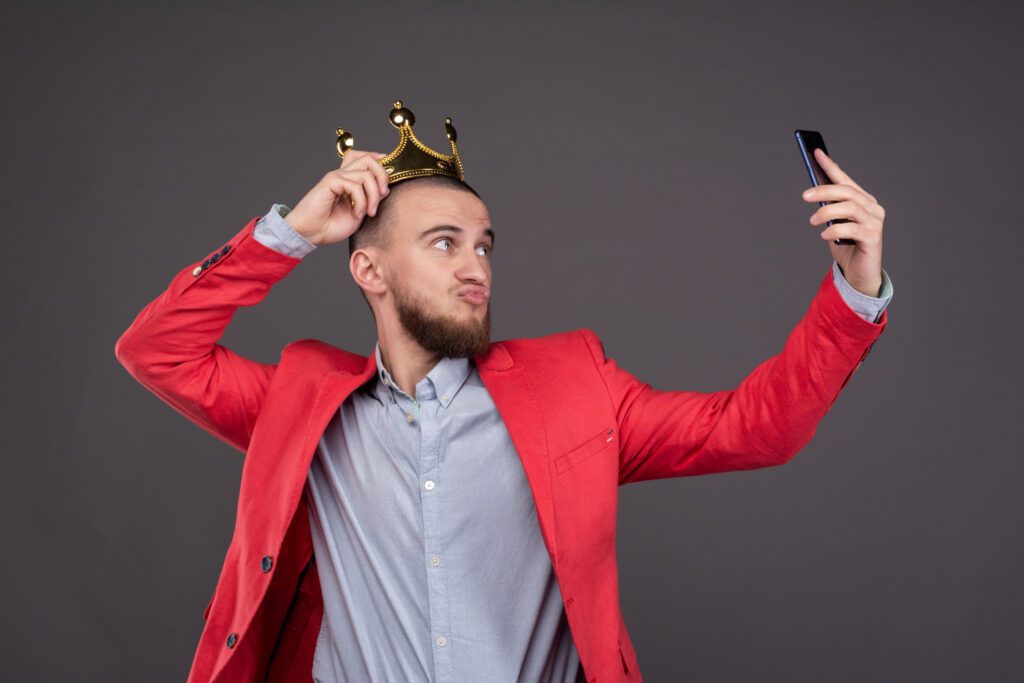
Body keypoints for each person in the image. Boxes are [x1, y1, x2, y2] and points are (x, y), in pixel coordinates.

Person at [115, 138, 892, 682]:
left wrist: (853, 291)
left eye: (483, 245)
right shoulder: (301, 405)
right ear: (369, 270)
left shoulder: (575, 390)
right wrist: (289, 233)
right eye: (444, 243)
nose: (476, 267)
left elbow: (758, 426)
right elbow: (156, 350)